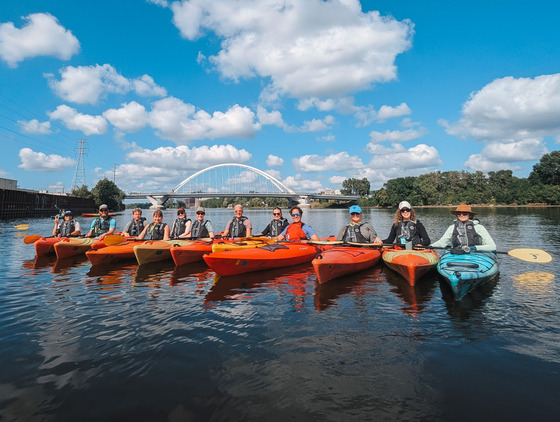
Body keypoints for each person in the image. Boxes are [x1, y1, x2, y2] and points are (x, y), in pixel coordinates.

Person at [430, 204, 496, 253]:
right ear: (457, 215)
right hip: (457, 254)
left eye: (464, 213)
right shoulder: (452, 227)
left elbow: (492, 246)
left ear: (470, 215)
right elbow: (442, 242)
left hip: (476, 254)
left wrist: (474, 248)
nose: (461, 215)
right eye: (459, 213)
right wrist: (431, 246)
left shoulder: (479, 227)